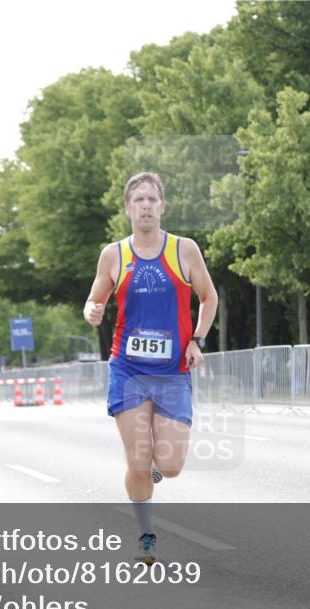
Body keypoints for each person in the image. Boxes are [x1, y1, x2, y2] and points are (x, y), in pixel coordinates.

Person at [83, 172, 217, 565]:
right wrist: (92, 311)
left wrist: (197, 340)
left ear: (162, 207)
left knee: (170, 467)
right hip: (128, 370)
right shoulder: (113, 255)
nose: (145, 206)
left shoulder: (184, 250)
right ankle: (145, 536)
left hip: (173, 370)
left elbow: (209, 298)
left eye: (151, 200)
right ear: (127, 208)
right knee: (138, 460)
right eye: (138, 200)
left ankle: (148, 479)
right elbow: (94, 303)